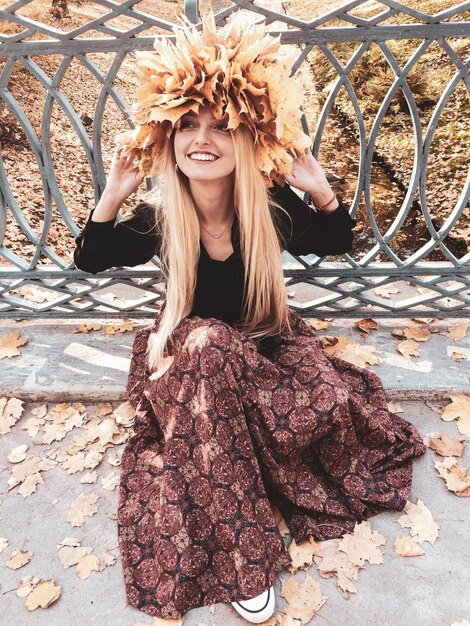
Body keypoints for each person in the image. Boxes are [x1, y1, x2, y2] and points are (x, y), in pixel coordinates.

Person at [73, 11, 426, 623]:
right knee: (207, 342)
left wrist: (321, 190)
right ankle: (242, 557)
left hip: (265, 349)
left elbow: (334, 239)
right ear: (169, 138)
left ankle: (249, 457)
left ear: (247, 138)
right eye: (187, 125)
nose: (202, 138)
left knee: (325, 411)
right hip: (188, 361)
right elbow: (92, 259)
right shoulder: (163, 214)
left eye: (220, 125)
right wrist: (113, 195)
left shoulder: (269, 207)